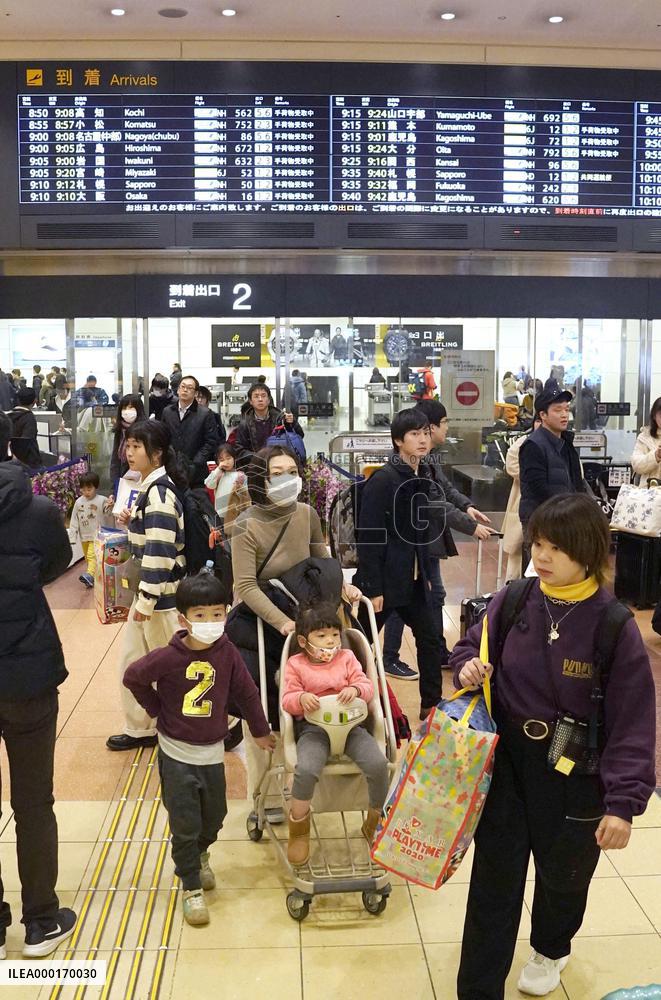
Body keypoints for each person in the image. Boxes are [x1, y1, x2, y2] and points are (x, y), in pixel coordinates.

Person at [450, 493, 656, 999]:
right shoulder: (515, 598)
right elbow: (465, 647)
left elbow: (633, 723)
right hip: (508, 767)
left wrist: (623, 804)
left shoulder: (614, 625)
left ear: (585, 551)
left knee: (564, 876)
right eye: (538, 544)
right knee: (493, 883)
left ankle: (550, 947)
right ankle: (478, 987)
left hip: (577, 773)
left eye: (554, 548)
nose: (540, 556)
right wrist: (467, 668)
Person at [123, 569, 275, 927]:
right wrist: (157, 709)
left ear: (227, 611)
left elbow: (247, 693)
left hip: (211, 752)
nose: (210, 622)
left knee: (216, 815)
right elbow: (134, 677)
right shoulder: (169, 656)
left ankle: (201, 853)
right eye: (200, 616)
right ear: (183, 618)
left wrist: (260, 730)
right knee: (185, 823)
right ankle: (190, 884)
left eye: (218, 614)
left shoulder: (228, 653)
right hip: (176, 754)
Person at [228, 445, 360, 810]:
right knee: (263, 707)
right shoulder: (246, 524)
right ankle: (264, 796)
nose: (287, 480)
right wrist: (282, 622)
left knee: (313, 698)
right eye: (277, 473)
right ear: (261, 480)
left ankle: (309, 780)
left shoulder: (306, 514)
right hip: (263, 623)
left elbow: (321, 558)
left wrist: (343, 585)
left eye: (292, 471)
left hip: (305, 620)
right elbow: (245, 586)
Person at [0, 412, 78, 958]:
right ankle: (41, 921)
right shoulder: (40, 508)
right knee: (33, 801)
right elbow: (55, 565)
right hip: (26, 670)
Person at [382, 399, 492, 679]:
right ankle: (389, 657)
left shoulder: (427, 461)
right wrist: (469, 526)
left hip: (426, 540)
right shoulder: (403, 469)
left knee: (433, 596)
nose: (446, 428)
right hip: (411, 543)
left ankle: (437, 650)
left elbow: (445, 489)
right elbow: (433, 503)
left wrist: (467, 506)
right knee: (403, 598)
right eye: (443, 424)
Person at [354, 408, 447, 720]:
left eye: (425, 433)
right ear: (398, 441)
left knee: (431, 640)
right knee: (361, 645)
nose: (422, 440)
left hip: (414, 579)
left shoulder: (423, 472)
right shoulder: (384, 479)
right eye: (414, 435)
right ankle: (353, 702)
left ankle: (431, 707)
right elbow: (368, 534)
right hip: (384, 581)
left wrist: (427, 574)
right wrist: (373, 587)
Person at [282, 603, 389, 865]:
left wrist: (356, 690)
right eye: (321, 636)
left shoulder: (347, 659)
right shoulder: (296, 664)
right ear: (304, 641)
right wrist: (302, 697)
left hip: (352, 726)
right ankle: (298, 830)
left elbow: (367, 686)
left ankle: (374, 820)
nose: (330, 641)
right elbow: (287, 699)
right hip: (314, 729)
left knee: (378, 765)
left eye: (334, 635)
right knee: (305, 769)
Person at [106, 420, 186, 752]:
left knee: (172, 667)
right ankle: (142, 726)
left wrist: (146, 600)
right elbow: (151, 538)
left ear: (156, 453)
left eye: (137, 446)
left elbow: (160, 551)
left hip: (160, 600)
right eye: (128, 445)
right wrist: (132, 521)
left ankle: (223, 722)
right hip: (152, 597)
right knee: (136, 663)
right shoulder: (150, 488)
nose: (129, 451)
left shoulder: (161, 493)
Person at [519, 387, 584, 532]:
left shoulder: (566, 442)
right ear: (543, 415)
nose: (564, 415)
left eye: (567, 410)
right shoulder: (533, 445)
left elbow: (576, 483)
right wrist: (566, 508)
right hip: (542, 519)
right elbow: (539, 488)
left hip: (566, 518)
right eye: (558, 410)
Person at [161, 374, 219, 488]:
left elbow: (211, 442)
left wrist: (196, 462)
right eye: (182, 386)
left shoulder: (205, 414)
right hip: (170, 468)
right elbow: (162, 437)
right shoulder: (167, 412)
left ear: (196, 393)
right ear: (178, 390)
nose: (185, 390)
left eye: (189, 387)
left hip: (195, 472)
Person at [502, 417, 542, 582]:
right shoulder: (523, 443)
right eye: (538, 420)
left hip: (554, 509)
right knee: (521, 554)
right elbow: (511, 466)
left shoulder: (563, 444)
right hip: (524, 505)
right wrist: (539, 476)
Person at [235, 383, 304, 458]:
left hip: (281, 462)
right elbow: (240, 450)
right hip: (257, 465)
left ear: (268, 400)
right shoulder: (245, 422)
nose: (260, 399)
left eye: (263, 396)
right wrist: (258, 458)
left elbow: (300, 436)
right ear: (251, 401)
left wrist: (293, 423)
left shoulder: (281, 418)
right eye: (256, 396)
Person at [70, 471, 111, 589]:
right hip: (84, 536)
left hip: (97, 535)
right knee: (90, 558)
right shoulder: (78, 502)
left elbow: (108, 514)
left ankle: (89, 574)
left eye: (89, 489)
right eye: (83, 489)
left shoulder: (102, 500)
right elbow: (74, 519)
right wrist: (73, 536)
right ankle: (93, 578)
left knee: (92, 555)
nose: (86, 492)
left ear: (96, 487)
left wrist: (110, 505)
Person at [204, 442, 250, 532]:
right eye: (221, 460)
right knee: (222, 542)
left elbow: (246, 498)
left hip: (235, 514)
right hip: (220, 514)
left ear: (234, 458)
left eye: (228, 458)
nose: (226, 462)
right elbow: (208, 484)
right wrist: (218, 469)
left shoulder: (240, 476)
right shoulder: (219, 475)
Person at [109, 393, 146, 484]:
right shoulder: (120, 430)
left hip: (140, 479)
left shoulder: (146, 430)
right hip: (122, 479)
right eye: (124, 408)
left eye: (131, 407)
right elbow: (115, 460)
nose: (127, 411)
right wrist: (115, 485)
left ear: (138, 409)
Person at [631, 396, 661, 486]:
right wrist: (655, 456)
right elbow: (636, 465)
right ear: (654, 416)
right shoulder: (645, 437)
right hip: (649, 493)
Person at [9, 387, 41, 468]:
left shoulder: (7, 417)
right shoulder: (29, 417)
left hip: (9, 462)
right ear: (34, 401)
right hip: (28, 464)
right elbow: (27, 442)